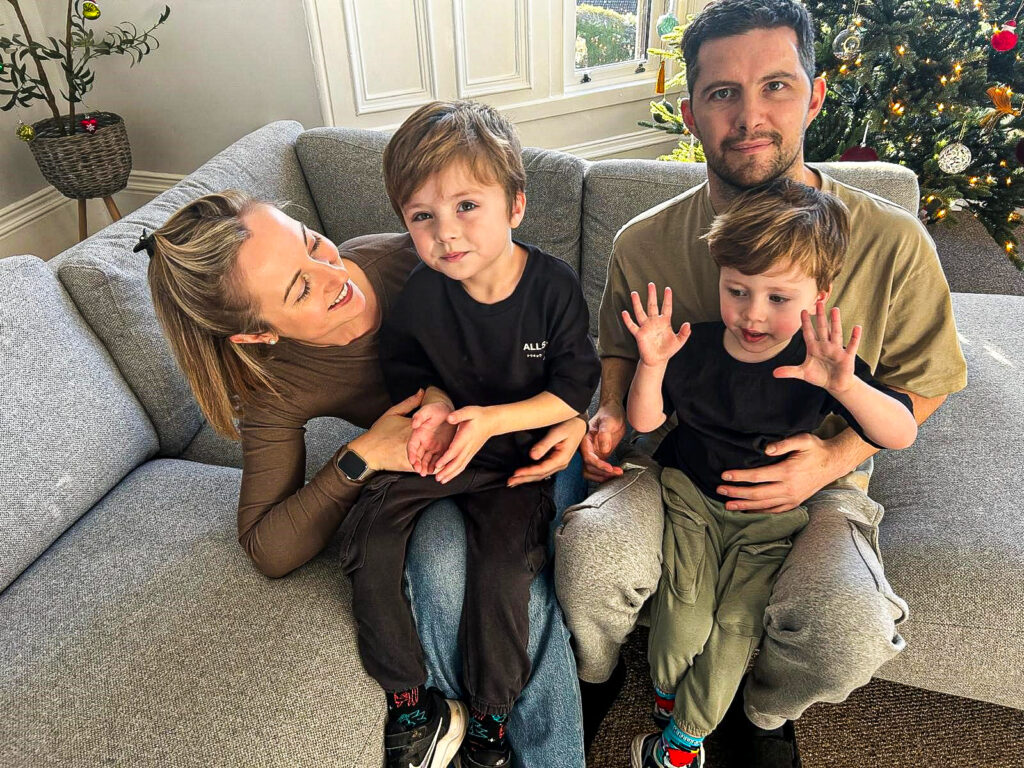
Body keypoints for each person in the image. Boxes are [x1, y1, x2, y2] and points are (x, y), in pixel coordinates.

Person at [555, 1, 968, 765]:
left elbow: (928, 382)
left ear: (813, 96)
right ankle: (591, 675)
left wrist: (830, 459)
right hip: (674, 466)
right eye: (722, 93)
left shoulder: (892, 242)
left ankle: (764, 713)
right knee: (590, 559)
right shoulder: (643, 243)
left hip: (818, 482)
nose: (750, 116)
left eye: (775, 86)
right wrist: (612, 411)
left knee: (850, 631)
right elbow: (616, 354)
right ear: (690, 113)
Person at [143, 190, 589, 768]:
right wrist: (363, 455)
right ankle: (481, 734)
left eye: (311, 244)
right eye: (300, 289)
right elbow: (267, 546)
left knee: (509, 567)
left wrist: (574, 415)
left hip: (536, 435)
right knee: (437, 560)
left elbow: (556, 327)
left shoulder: (421, 259)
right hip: (441, 471)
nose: (333, 276)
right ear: (258, 335)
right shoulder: (275, 385)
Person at [341, 100, 600, 768]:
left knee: (504, 571)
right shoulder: (423, 296)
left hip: (517, 458)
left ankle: (490, 719)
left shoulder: (552, 287)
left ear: (514, 205)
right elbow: (403, 364)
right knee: (369, 535)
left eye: (465, 207)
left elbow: (575, 389)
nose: (445, 234)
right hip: (445, 449)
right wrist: (432, 400)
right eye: (422, 217)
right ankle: (409, 699)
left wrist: (493, 418)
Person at [623, 180, 916, 768]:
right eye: (738, 291)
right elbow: (645, 420)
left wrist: (846, 385)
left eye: (778, 299)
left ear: (819, 295)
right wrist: (652, 365)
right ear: (720, 279)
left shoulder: (821, 363)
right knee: (683, 619)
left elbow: (899, 432)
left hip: (772, 524)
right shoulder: (696, 346)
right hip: (691, 501)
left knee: (735, 626)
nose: (753, 315)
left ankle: (682, 741)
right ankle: (663, 701)